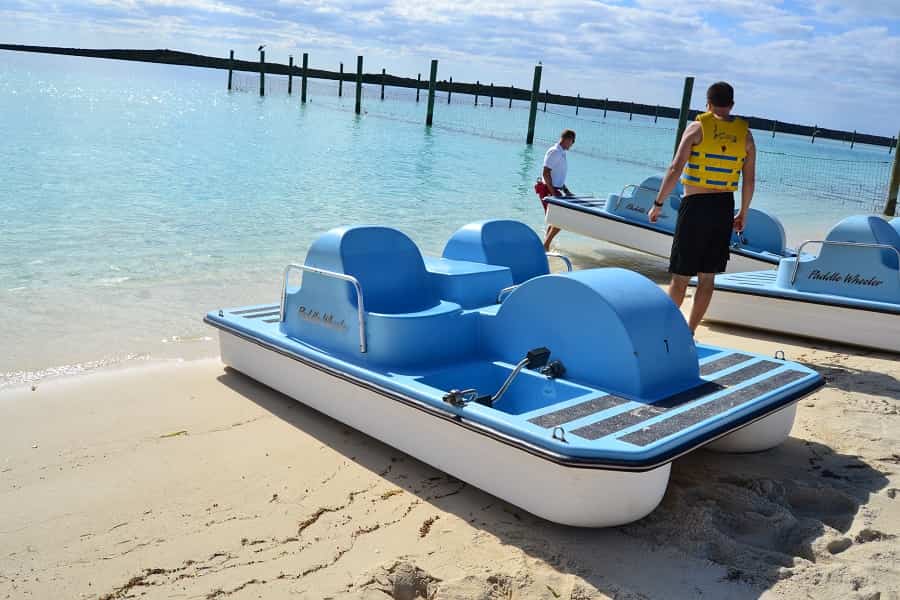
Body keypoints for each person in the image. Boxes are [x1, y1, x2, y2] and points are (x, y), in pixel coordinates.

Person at [648, 81, 756, 333]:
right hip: (723, 207)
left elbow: (675, 169)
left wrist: (658, 203)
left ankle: (666, 331)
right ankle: (690, 330)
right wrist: (743, 212)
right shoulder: (746, 135)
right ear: (731, 104)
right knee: (707, 277)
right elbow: (749, 179)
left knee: (681, 275)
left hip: (695, 206)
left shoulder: (697, 128)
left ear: (707, 104)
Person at [535, 129, 576, 251]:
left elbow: (558, 176)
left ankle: (545, 245)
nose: (572, 145)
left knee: (556, 220)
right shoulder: (555, 152)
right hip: (548, 189)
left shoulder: (561, 153)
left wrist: (567, 190)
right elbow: (546, 172)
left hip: (555, 189)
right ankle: (545, 247)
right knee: (561, 220)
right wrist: (553, 193)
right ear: (567, 139)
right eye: (572, 142)